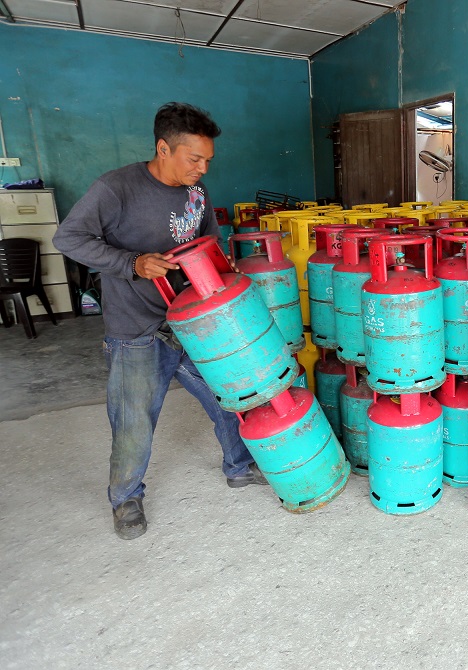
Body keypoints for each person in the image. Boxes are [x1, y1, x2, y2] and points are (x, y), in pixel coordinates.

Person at [53, 102, 266, 541]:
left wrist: (227, 282)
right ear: (163, 147)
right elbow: (67, 238)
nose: (203, 168)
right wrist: (131, 263)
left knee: (230, 394)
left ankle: (240, 466)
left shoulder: (197, 194)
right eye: (194, 159)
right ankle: (126, 498)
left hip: (194, 320)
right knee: (134, 420)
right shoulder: (116, 189)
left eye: (208, 160)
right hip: (137, 329)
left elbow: (208, 242)